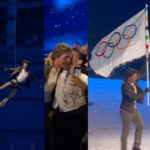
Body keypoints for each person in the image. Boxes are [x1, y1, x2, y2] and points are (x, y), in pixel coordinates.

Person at [53, 48, 88, 150]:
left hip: (75, 113)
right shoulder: (62, 73)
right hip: (60, 112)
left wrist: (76, 65)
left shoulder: (82, 76)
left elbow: (76, 78)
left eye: (73, 56)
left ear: (80, 61)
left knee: (72, 143)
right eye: (68, 55)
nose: (70, 58)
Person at [44, 43, 72, 150]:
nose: (68, 60)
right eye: (66, 57)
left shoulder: (63, 69)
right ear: (57, 56)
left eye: (70, 58)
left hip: (49, 106)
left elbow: (77, 74)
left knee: (52, 134)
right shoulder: (45, 66)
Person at [120, 64, 149, 150]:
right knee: (126, 131)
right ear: (129, 77)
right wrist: (144, 92)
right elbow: (133, 96)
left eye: (136, 76)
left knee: (140, 126)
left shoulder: (133, 81)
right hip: (126, 111)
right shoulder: (125, 86)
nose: (137, 77)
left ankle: (136, 146)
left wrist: (146, 62)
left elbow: (140, 73)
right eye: (135, 76)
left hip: (133, 109)